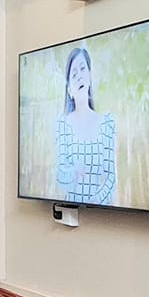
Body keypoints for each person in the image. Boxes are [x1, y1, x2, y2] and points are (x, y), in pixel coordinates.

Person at [53, 45, 117, 205]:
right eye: (74, 74)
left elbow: (111, 178)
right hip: (71, 207)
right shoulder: (63, 124)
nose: (79, 76)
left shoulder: (106, 123)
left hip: (101, 213)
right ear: (69, 89)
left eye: (82, 69)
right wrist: (74, 172)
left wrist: (96, 201)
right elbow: (60, 177)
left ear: (89, 75)